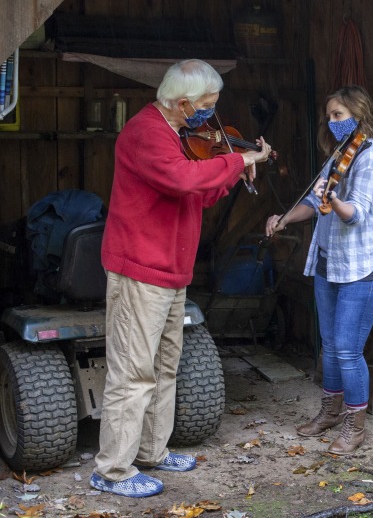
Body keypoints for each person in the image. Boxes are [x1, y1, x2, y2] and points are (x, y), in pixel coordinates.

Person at [91, 59, 272, 498]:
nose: (210, 115)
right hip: (141, 268)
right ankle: (112, 469)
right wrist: (238, 158)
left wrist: (233, 171)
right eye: (207, 106)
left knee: (163, 367)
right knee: (133, 372)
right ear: (184, 102)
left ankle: (151, 452)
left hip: (171, 271)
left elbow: (199, 192)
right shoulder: (145, 132)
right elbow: (180, 179)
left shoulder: (180, 136)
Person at [265, 85, 373, 456]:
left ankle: (355, 426)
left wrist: (333, 200)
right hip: (329, 262)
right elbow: (311, 201)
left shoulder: (371, 157)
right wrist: (285, 219)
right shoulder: (340, 154)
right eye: (330, 115)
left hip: (365, 266)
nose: (331, 121)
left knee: (348, 349)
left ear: (359, 115)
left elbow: (355, 214)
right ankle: (330, 412)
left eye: (339, 115)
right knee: (331, 346)